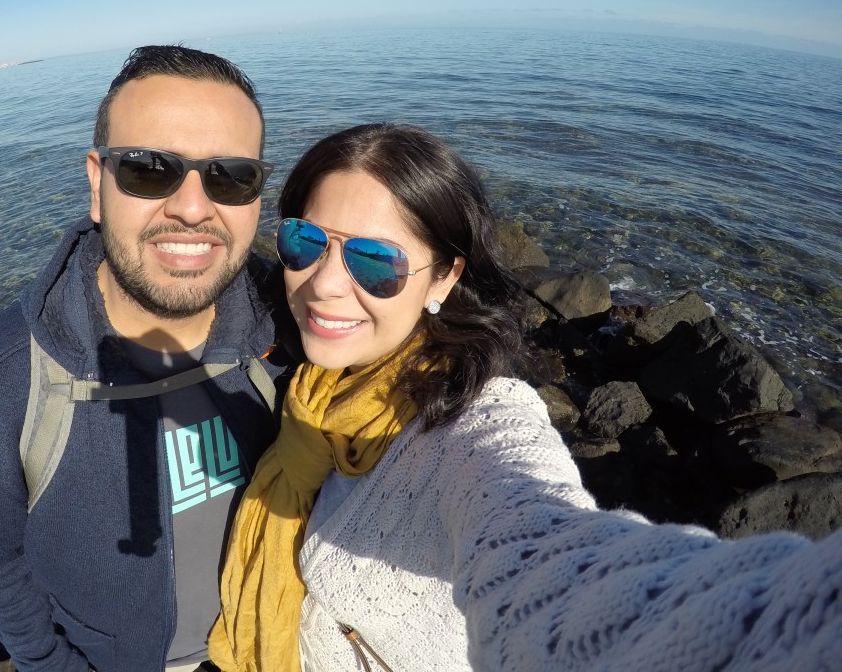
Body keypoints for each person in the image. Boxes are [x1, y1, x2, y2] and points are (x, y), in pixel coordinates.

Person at [208, 122, 842, 672]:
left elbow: (542, 552)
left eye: (375, 262)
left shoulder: (472, 423)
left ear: (444, 278)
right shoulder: (313, 388)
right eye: (304, 241)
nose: (323, 284)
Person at [0, 46, 289, 672]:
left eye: (231, 177)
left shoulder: (295, 327)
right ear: (97, 184)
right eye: (150, 169)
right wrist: (50, 662)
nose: (192, 208)